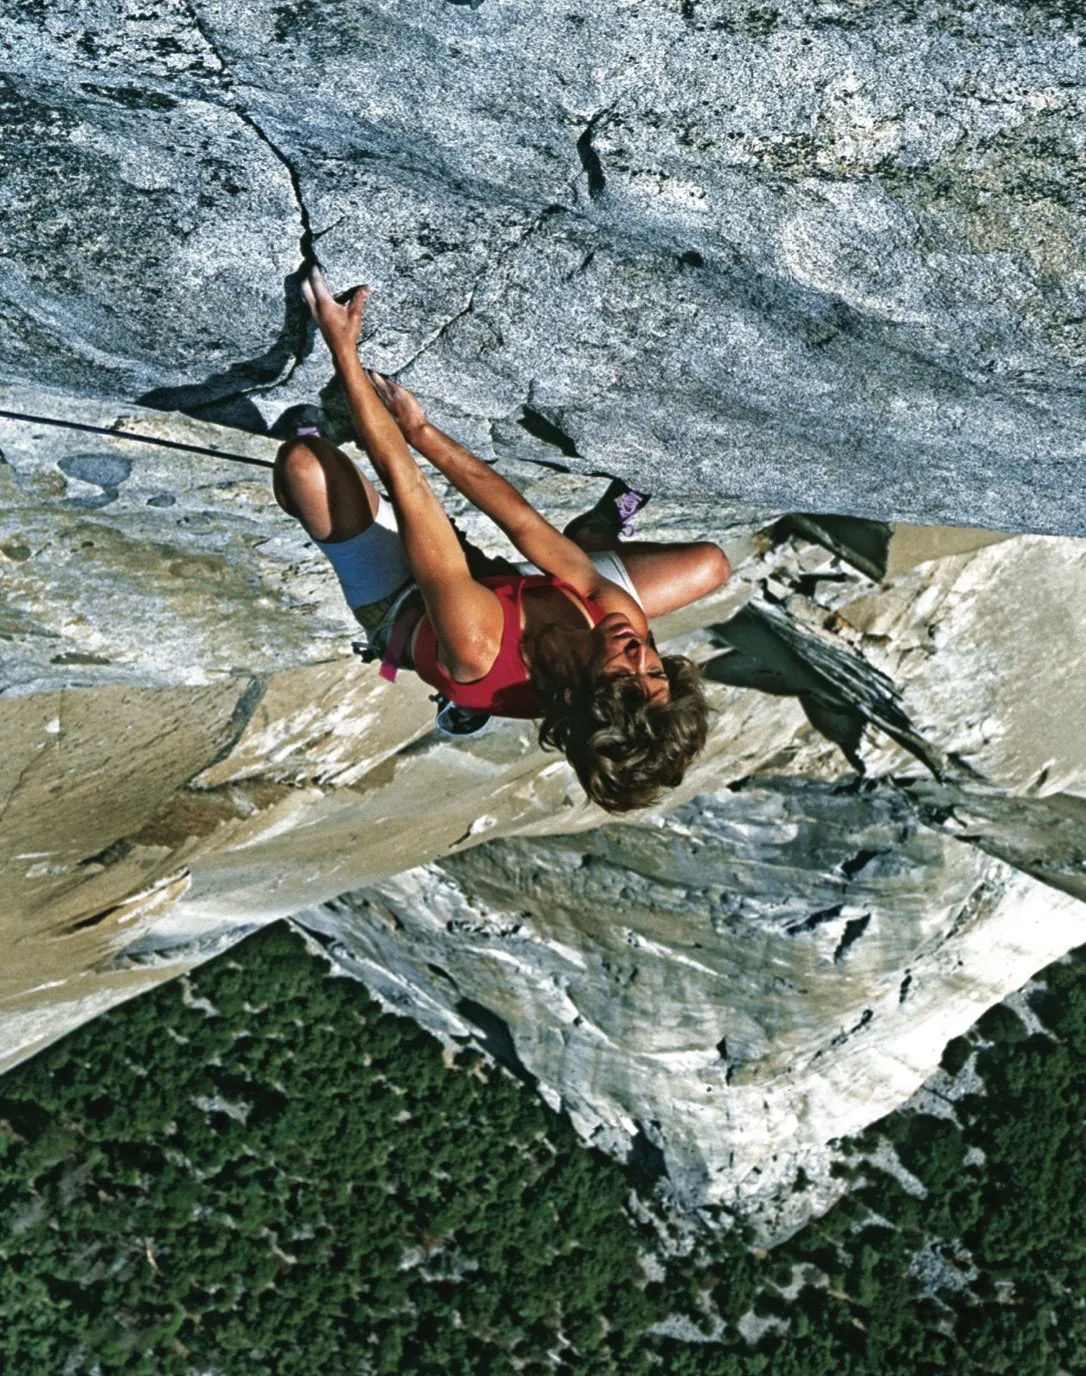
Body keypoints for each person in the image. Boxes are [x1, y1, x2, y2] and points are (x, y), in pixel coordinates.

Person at [274, 268, 730, 812]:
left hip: (408, 602)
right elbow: (523, 524)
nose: (640, 651)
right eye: (655, 669)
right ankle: (593, 534)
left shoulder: (477, 646)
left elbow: (411, 489)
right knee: (711, 567)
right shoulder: (621, 630)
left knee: (304, 465)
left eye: (627, 676)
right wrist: (422, 431)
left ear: (586, 692)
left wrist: (342, 348)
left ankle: (326, 483)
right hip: (511, 592)